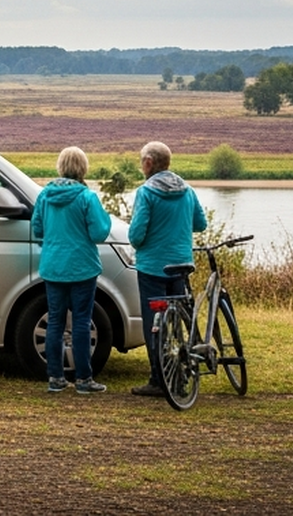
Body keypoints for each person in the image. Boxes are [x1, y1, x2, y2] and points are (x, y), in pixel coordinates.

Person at [127, 140, 208, 398]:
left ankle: (158, 378)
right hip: (181, 266)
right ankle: (180, 374)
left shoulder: (147, 193)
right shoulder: (187, 190)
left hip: (153, 268)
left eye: (142, 162)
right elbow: (200, 223)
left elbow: (136, 235)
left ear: (149, 163)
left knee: (155, 324)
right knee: (176, 323)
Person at [31, 146, 113, 394]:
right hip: (82, 267)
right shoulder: (87, 197)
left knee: (55, 320)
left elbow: (37, 229)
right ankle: (84, 379)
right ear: (83, 168)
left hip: (53, 266)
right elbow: (99, 232)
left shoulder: (45, 196)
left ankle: (55, 377)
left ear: (60, 166)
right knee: (81, 321)